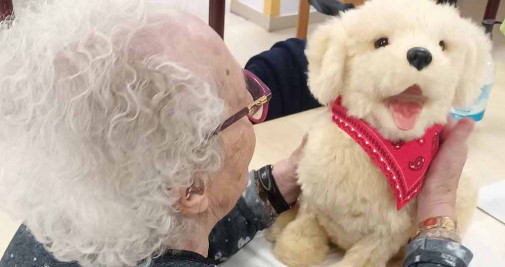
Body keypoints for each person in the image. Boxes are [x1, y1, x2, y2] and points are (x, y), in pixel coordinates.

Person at [0, 1, 474, 266]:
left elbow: (178, 229)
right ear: (190, 187)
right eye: (244, 103)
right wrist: (437, 214)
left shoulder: (68, 213)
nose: (255, 107)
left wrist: (282, 180)